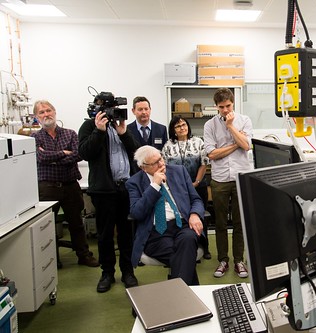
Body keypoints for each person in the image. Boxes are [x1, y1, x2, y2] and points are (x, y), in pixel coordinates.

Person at [78, 107, 139, 293]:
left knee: (126, 233)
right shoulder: (89, 126)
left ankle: (128, 271)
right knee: (105, 235)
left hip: (125, 187)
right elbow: (85, 153)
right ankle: (107, 274)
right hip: (104, 190)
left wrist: (124, 133)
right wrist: (99, 131)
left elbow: (136, 152)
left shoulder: (122, 127)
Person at [31, 100, 99, 267]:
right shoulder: (35, 137)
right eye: (41, 112)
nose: (46, 114)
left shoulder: (70, 134)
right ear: (36, 117)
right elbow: (40, 158)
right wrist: (63, 153)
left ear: (54, 112)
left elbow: (78, 155)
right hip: (47, 187)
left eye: (48, 110)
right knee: (46, 225)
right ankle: (49, 260)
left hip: (70, 186)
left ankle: (84, 256)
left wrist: (52, 157)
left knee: (76, 223)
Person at [126, 145, 204, 285]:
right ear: (144, 167)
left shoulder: (179, 171)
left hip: (183, 224)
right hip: (156, 232)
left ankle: (177, 296)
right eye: (155, 163)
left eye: (161, 158)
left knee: (188, 240)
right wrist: (154, 186)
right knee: (185, 256)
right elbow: (136, 212)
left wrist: (194, 214)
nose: (162, 164)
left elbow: (196, 199)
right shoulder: (134, 182)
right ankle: (186, 296)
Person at [203, 88, 253, 278]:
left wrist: (231, 127)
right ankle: (223, 260)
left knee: (240, 223)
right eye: (221, 107)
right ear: (216, 106)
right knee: (221, 223)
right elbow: (212, 154)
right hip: (220, 179)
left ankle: (238, 260)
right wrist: (236, 143)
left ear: (233, 103)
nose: (225, 110)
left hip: (241, 177)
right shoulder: (209, 125)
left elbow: (247, 146)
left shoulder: (244, 120)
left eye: (228, 106)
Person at [162, 116, 211, 260]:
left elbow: (204, 163)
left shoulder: (198, 142)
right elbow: (164, 167)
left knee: (200, 216)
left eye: (184, 125)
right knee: (184, 216)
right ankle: (188, 246)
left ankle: (204, 246)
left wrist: (196, 182)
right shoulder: (168, 146)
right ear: (173, 130)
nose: (182, 128)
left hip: (198, 185)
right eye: (178, 126)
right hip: (177, 189)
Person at [127, 96, 167, 173]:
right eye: (140, 109)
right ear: (133, 111)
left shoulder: (161, 129)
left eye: (146, 109)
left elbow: (164, 154)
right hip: (135, 174)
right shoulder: (127, 130)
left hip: (156, 173)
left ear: (150, 109)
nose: (144, 112)